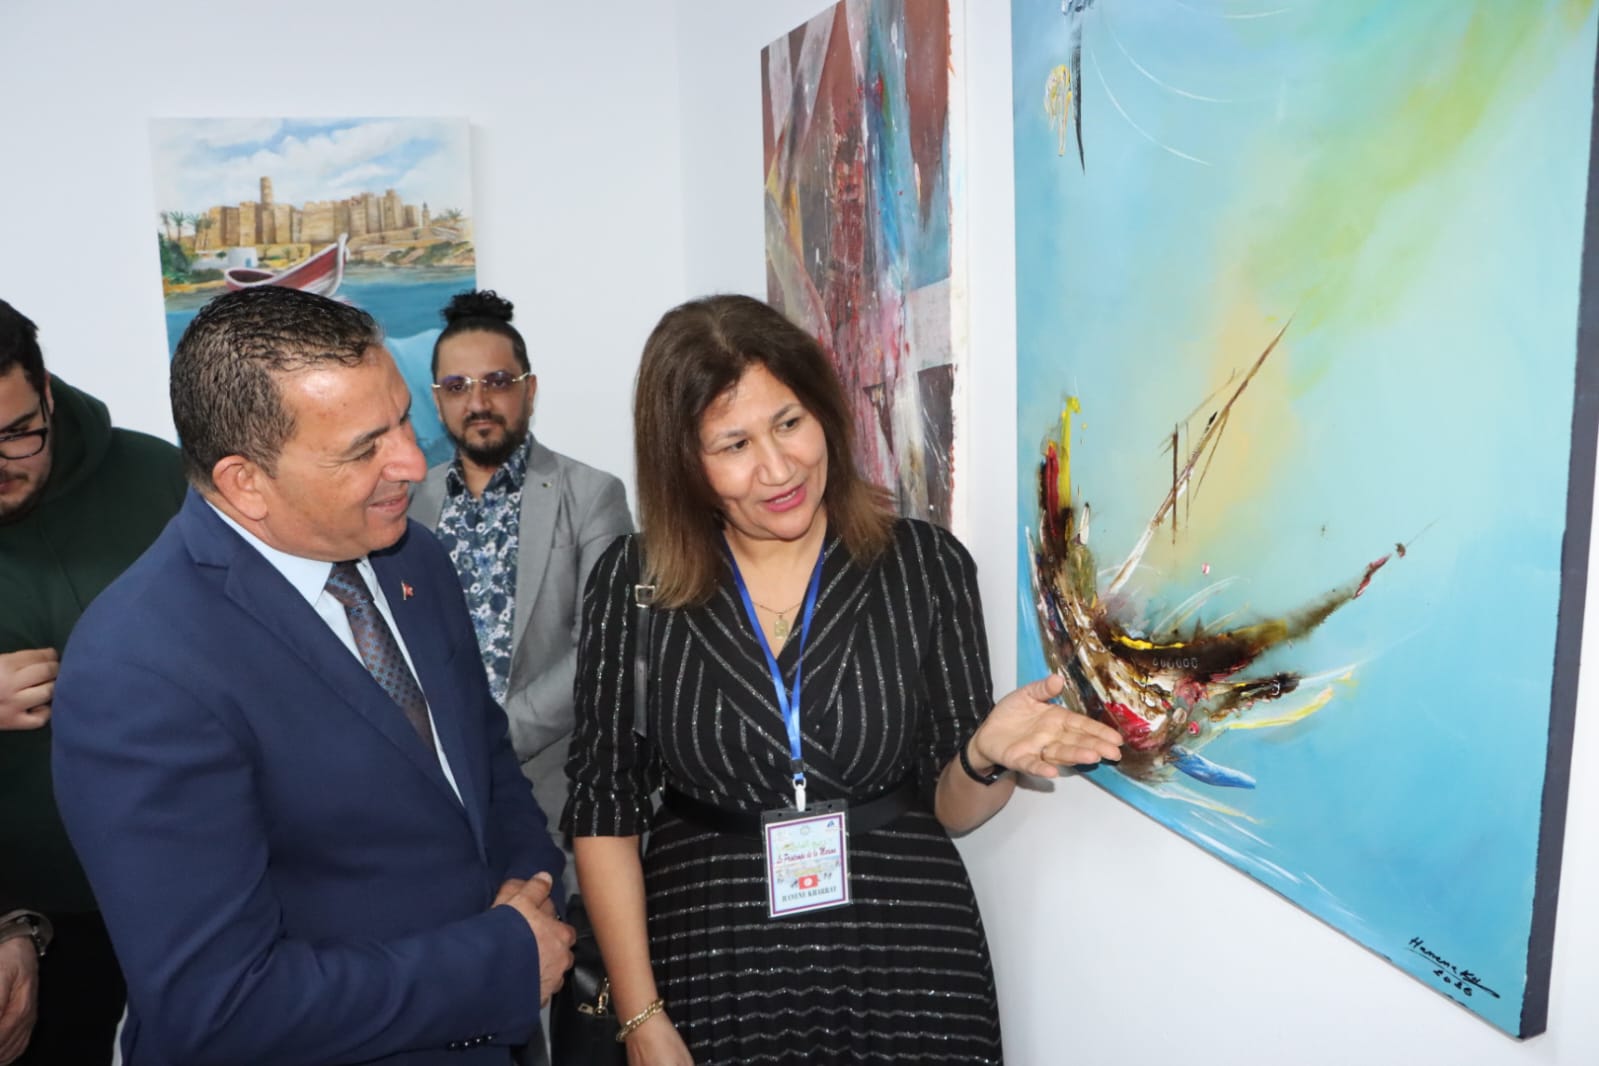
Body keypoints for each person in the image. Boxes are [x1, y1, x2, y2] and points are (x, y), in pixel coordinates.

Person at [564, 294, 1125, 1064]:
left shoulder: (925, 566)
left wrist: (982, 755)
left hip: (907, 951)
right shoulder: (633, 582)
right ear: (683, 463)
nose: (777, 468)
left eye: (789, 423)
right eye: (733, 444)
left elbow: (951, 808)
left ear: (823, 411)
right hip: (710, 952)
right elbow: (604, 809)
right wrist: (639, 1017)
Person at [49, 286, 575, 1066]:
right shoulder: (138, 669)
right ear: (244, 482)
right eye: (364, 449)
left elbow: (482, 767)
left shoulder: (413, 559)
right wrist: (496, 961)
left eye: (403, 418)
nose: (412, 460)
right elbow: (216, 1007)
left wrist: (533, 886)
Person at [0, 297, 186, 1065]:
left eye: (15, 434)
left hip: (197, 881)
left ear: (46, 392)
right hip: (30, 917)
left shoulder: (161, 479)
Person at [410, 290, 632, 885]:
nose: (478, 402)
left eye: (497, 382)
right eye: (456, 386)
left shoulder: (592, 495)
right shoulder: (407, 509)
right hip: (440, 816)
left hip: (563, 801)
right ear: (438, 401)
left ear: (529, 390)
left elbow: (606, 650)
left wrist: (491, 740)